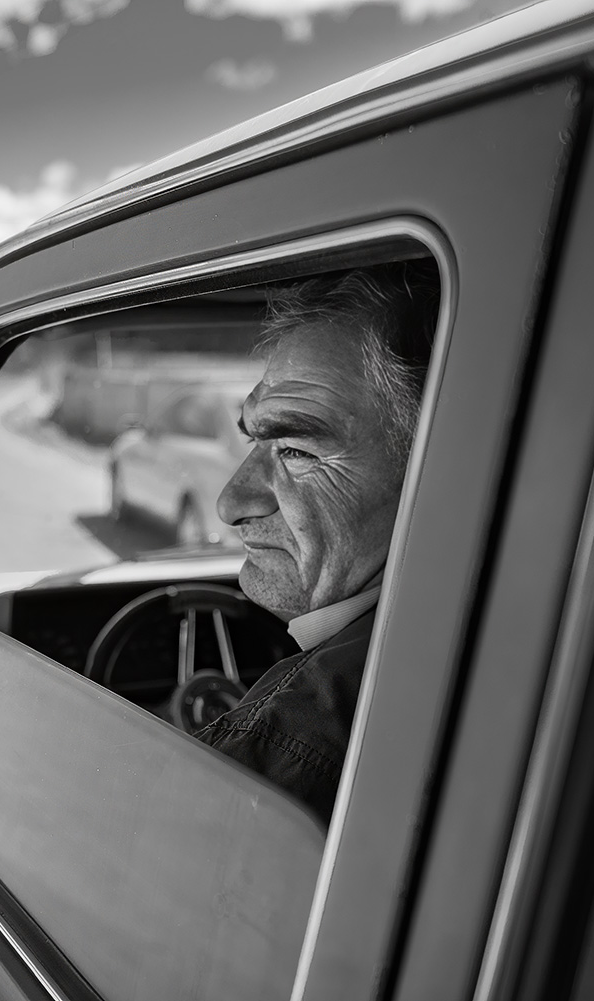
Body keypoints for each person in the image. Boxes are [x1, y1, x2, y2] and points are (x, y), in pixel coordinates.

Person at [194, 261, 439, 824]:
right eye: (255, 441)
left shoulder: (298, 739)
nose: (231, 503)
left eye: (298, 451)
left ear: (435, 468)